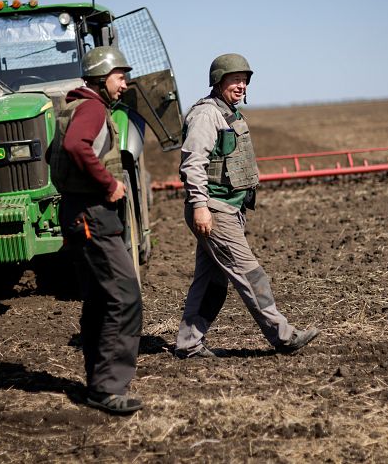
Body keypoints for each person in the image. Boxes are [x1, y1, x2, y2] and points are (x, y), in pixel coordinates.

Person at [175, 53, 319, 358]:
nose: (241, 86)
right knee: (251, 275)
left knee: (211, 282)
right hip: (214, 211)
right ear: (218, 81)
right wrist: (200, 206)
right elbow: (193, 163)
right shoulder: (206, 115)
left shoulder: (231, 113)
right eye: (234, 80)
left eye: (244, 80)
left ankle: (188, 344)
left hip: (229, 210)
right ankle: (283, 336)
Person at [47, 46, 143, 414]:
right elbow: (75, 145)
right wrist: (108, 184)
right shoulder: (92, 107)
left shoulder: (73, 106)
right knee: (124, 296)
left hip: (77, 212)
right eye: (120, 76)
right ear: (103, 77)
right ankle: (108, 388)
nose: (125, 83)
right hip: (92, 214)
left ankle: (97, 384)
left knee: (100, 299)